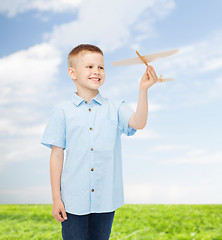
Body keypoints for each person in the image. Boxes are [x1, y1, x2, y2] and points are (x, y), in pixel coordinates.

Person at [41, 44, 158, 240]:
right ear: (72, 73)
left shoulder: (115, 107)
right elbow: (57, 155)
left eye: (101, 67)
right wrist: (56, 198)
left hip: (105, 199)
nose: (97, 71)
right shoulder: (61, 112)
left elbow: (139, 122)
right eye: (89, 67)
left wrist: (143, 90)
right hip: (72, 200)